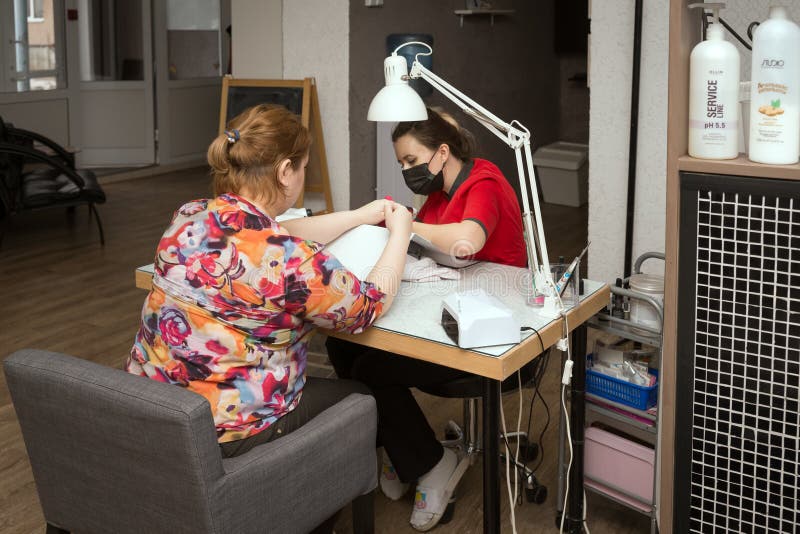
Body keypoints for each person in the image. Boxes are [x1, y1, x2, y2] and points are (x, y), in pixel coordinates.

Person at [126, 104, 411, 528]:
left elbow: (271, 232)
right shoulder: (292, 263)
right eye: (303, 169)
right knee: (360, 395)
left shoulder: (189, 216)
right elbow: (367, 305)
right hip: (226, 430)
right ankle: (306, 514)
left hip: (152, 406)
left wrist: (359, 216)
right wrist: (401, 233)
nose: (301, 178)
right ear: (284, 171)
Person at [326, 107, 526, 531]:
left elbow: (467, 241)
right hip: (448, 304)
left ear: (442, 153)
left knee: (372, 366)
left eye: (412, 161)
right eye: (401, 163)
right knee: (341, 342)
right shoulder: (437, 196)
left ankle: (432, 463)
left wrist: (406, 226)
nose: (406, 171)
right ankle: (407, 454)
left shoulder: (483, 182)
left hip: (496, 329)